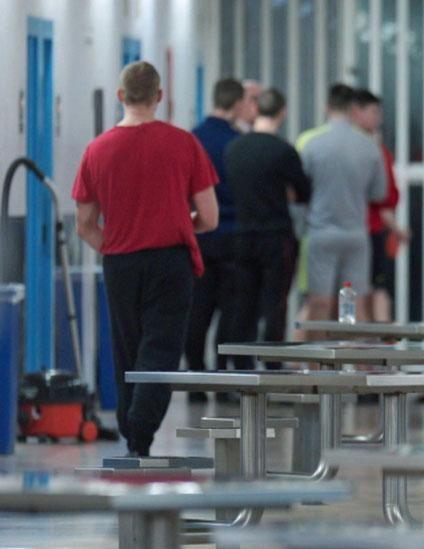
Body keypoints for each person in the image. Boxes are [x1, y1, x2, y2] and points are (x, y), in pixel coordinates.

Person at [72, 61, 218, 456]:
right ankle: (140, 432)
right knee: (162, 347)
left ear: (121, 95)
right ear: (159, 96)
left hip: (120, 262)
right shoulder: (183, 143)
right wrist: (178, 221)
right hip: (171, 261)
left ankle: (130, 429)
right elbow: (209, 216)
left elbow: (84, 224)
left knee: (127, 346)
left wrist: (118, 243)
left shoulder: (96, 150)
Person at [224, 88, 311, 370]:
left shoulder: (234, 148)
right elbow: (304, 191)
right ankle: (273, 364)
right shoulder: (284, 151)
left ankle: (241, 364)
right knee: (275, 303)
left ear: (255, 109)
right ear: (282, 112)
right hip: (276, 235)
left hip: (241, 234)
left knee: (243, 303)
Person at [301, 85, 387, 329]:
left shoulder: (313, 144)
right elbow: (379, 193)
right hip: (355, 235)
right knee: (353, 303)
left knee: (319, 302)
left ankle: (315, 363)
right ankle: (355, 362)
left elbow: (300, 191)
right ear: (352, 109)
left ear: (327, 107)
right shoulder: (369, 147)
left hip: (322, 233)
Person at [183, 78, 243, 403]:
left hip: (199, 234)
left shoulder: (193, 138)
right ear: (236, 104)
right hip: (233, 235)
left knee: (198, 309)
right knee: (229, 311)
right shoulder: (237, 142)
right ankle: (221, 375)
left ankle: (194, 375)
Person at [350, 89, 410, 322]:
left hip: (362, 230)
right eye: (374, 111)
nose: (379, 118)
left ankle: (366, 349)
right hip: (366, 231)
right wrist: (396, 227)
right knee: (371, 292)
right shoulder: (370, 151)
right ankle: (373, 348)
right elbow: (380, 198)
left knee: (355, 292)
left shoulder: (375, 149)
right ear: (357, 112)